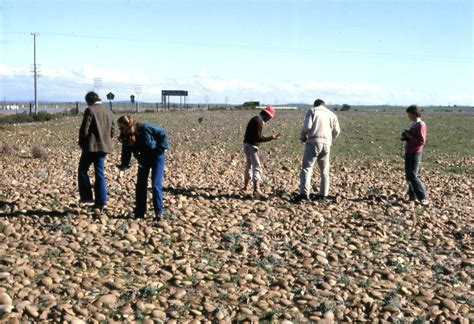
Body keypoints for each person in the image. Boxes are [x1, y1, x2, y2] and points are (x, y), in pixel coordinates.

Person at [116, 115, 169, 220]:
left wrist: (161, 147)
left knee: (155, 185)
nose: (120, 130)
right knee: (140, 184)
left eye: (121, 128)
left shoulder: (146, 128)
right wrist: (123, 167)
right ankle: (140, 211)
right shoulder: (126, 136)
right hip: (143, 159)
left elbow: (162, 133)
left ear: (128, 125)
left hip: (157, 156)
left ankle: (159, 212)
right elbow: (126, 153)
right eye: (119, 128)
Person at [295, 99, 340, 202]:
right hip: (326, 144)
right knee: (324, 171)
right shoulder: (332, 114)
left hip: (313, 142)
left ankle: (304, 194)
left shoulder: (312, 111)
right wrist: (330, 139)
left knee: (307, 168)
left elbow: (307, 126)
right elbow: (337, 130)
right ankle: (323, 195)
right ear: (323, 105)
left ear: (315, 104)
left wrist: (303, 136)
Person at [78, 91, 115, 212]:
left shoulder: (90, 110)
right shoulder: (109, 111)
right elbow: (113, 131)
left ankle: (87, 197)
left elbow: (84, 129)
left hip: (91, 147)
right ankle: (102, 201)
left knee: (83, 170)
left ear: (89, 100)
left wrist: (82, 142)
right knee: (100, 173)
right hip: (104, 147)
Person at [243, 106, 281, 197]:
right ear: (266, 115)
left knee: (249, 165)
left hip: (247, 145)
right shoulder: (258, 122)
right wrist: (271, 138)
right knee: (257, 166)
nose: (269, 120)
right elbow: (258, 138)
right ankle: (256, 190)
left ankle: (245, 186)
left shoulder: (255, 119)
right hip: (252, 146)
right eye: (269, 117)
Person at [401, 105, 429, 206]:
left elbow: (421, 141)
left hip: (415, 152)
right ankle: (412, 197)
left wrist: (410, 137)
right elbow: (413, 137)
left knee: (413, 175)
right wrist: (406, 136)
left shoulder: (421, 125)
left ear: (414, 113)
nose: (408, 116)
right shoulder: (414, 124)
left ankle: (423, 198)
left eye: (409, 114)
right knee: (408, 175)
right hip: (409, 151)